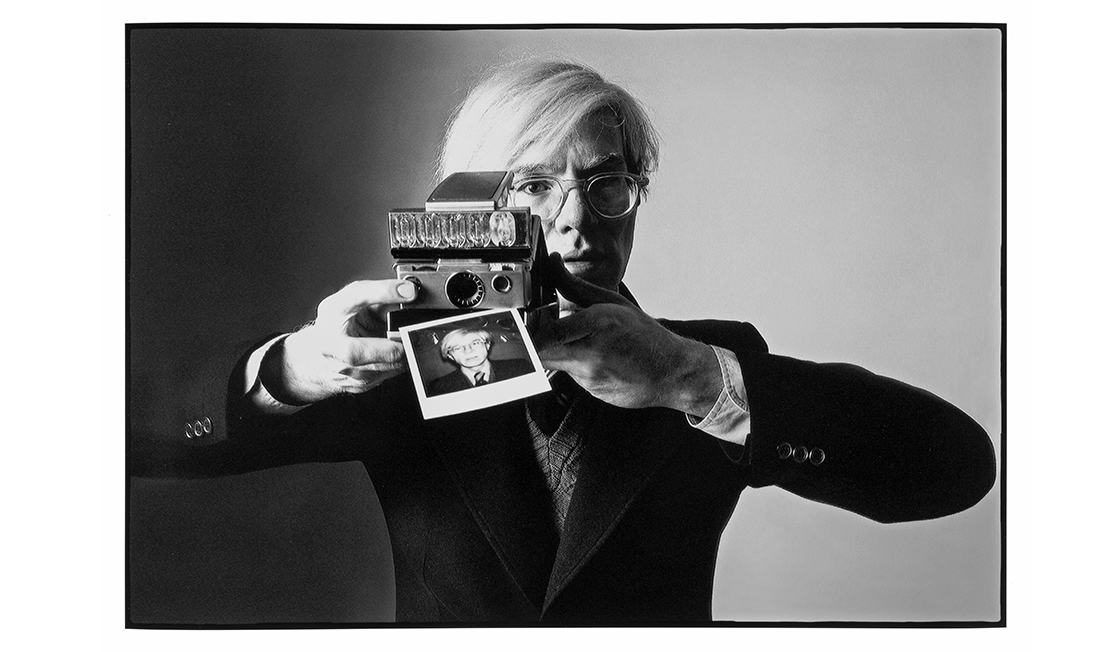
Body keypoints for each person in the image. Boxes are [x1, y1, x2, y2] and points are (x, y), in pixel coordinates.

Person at [183, 59, 995, 623]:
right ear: (468, 212)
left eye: (604, 183)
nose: (575, 219)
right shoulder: (392, 369)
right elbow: (135, 439)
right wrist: (287, 370)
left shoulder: (703, 360)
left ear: (635, 195)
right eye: (534, 186)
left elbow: (952, 471)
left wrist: (693, 380)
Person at [426, 327, 534, 396]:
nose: (468, 351)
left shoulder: (520, 367)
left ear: (487, 345)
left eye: (475, 343)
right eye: (457, 348)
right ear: (450, 356)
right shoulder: (439, 387)